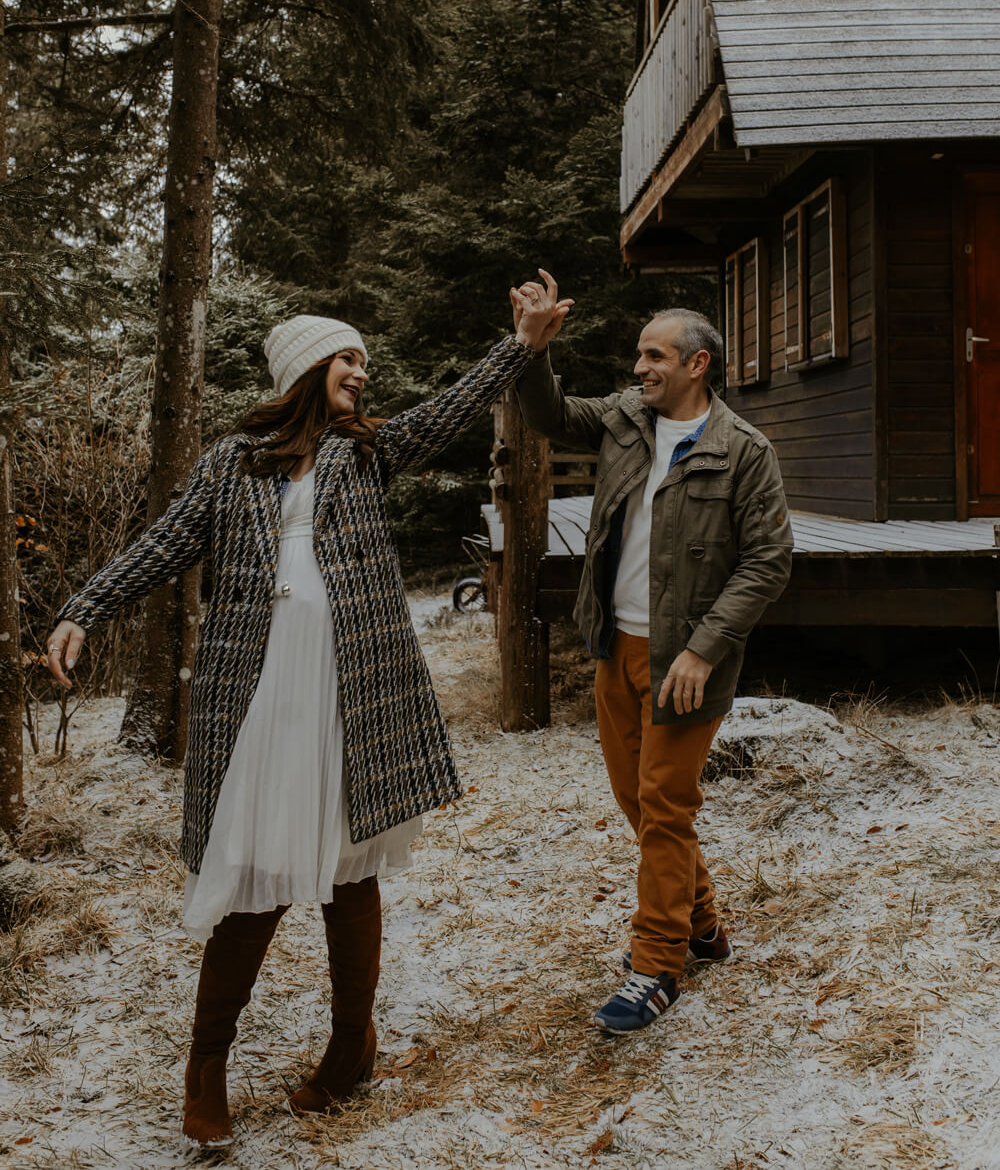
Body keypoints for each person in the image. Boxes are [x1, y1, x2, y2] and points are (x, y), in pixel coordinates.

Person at [45, 301, 568, 1145]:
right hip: (260, 691)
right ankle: (206, 1065)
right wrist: (87, 606)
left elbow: (449, 407)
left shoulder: (368, 452)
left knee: (351, 869)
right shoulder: (232, 465)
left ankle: (349, 1046)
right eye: (346, 360)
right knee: (251, 868)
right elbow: (163, 543)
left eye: (364, 361)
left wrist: (519, 347)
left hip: (352, 685)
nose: (362, 373)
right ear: (304, 372)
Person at [511, 272, 793, 1035]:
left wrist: (704, 649)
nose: (640, 368)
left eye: (654, 356)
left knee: (665, 806)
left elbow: (768, 561)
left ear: (697, 364)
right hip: (616, 645)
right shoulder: (627, 419)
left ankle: (657, 964)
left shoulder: (744, 450)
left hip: (684, 660)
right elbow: (547, 414)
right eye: (640, 356)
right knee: (638, 802)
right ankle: (701, 922)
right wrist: (532, 351)